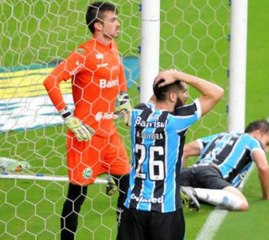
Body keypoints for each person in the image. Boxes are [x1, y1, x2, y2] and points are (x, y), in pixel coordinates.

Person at [43, 2, 131, 239]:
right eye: (113, 19)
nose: (118, 22)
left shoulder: (113, 47)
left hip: (109, 135)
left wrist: (124, 97)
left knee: (128, 185)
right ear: (99, 25)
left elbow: (119, 70)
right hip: (85, 137)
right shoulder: (84, 54)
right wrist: (67, 116)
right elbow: (51, 81)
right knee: (77, 197)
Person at [117, 69, 224, 240]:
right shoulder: (176, 121)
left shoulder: (137, 115)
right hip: (165, 211)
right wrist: (179, 75)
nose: (187, 95)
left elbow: (153, 100)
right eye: (184, 92)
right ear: (173, 97)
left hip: (133, 208)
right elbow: (216, 92)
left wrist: (162, 81)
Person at [180, 119, 269, 211]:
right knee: (242, 203)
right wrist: (267, 195)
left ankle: (182, 188)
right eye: (267, 143)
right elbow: (263, 167)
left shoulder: (220, 136)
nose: (267, 150)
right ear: (257, 134)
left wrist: (180, 172)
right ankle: (194, 192)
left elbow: (184, 150)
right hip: (211, 174)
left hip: (189, 172)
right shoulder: (253, 141)